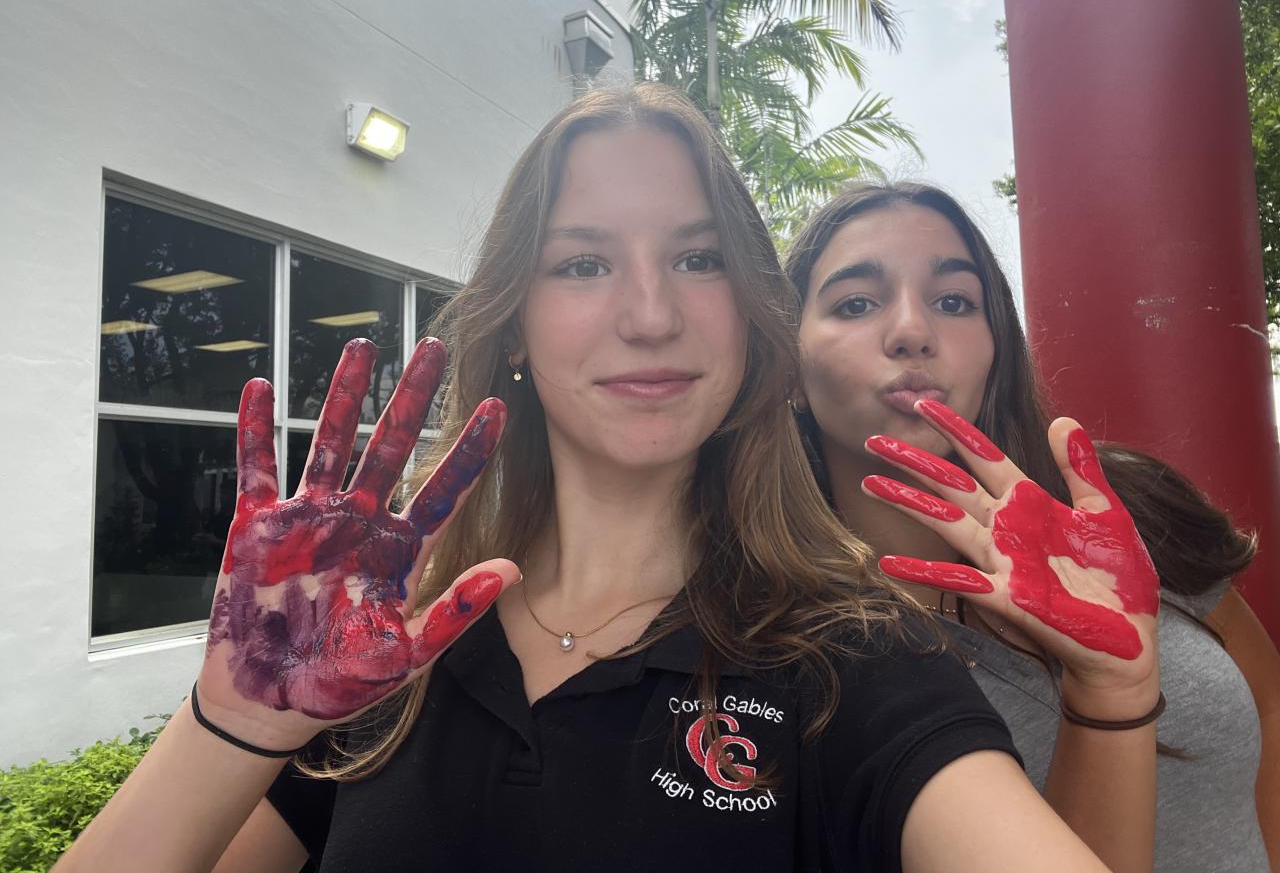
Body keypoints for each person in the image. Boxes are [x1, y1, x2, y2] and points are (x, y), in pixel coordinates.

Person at [59, 87, 1121, 873]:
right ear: (517, 323)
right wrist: (235, 721)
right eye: (582, 263)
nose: (650, 315)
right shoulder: (379, 646)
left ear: (750, 320)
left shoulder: (854, 656)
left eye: (698, 258)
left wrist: (1113, 701)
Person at [784, 180, 1277, 872]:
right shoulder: (779, 641)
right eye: (856, 303)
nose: (912, 331)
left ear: (997, 346)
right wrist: (1107, 699)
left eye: (954, 301)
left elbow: (1269, 701)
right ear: (788, 368)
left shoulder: (1116, 509)